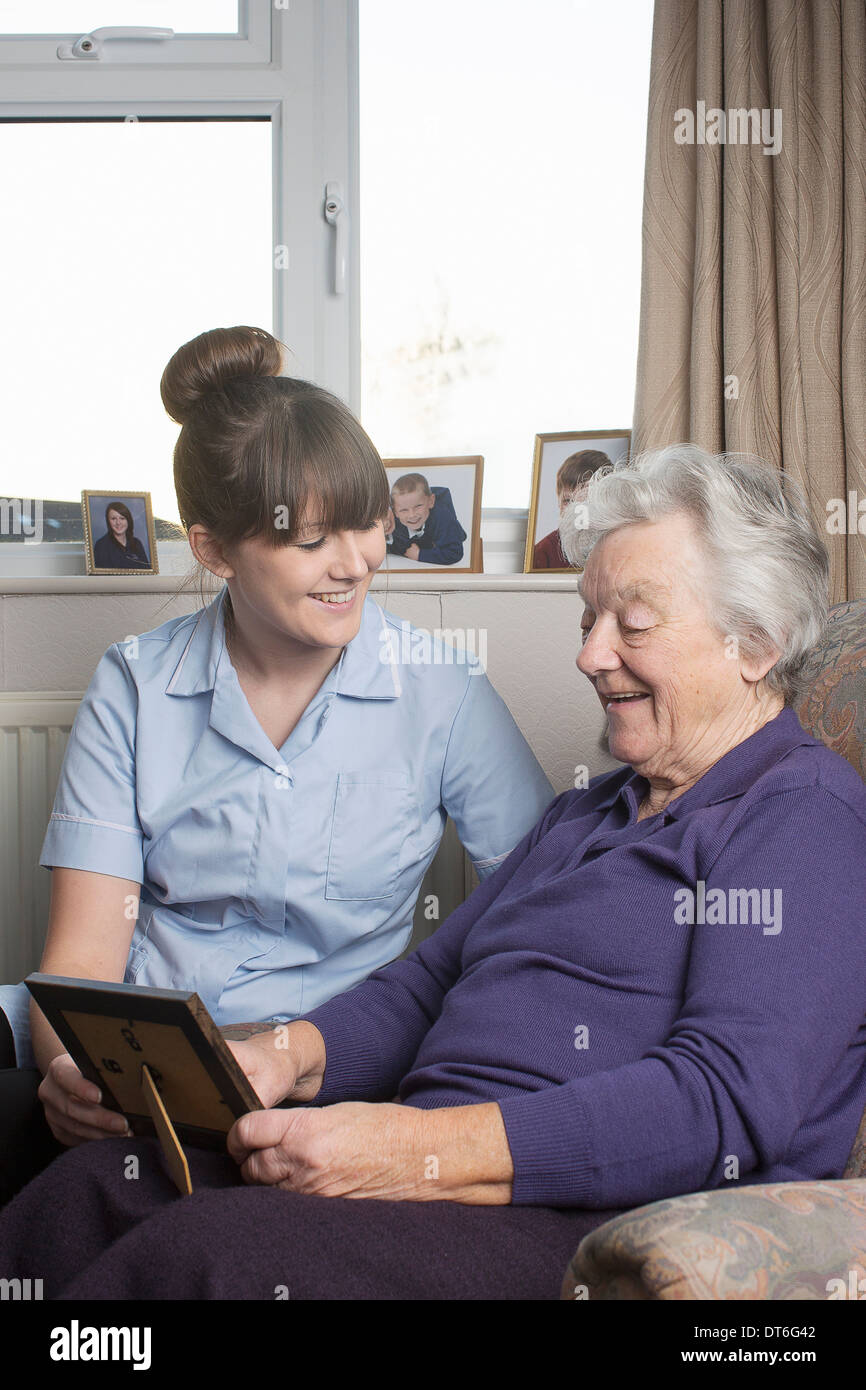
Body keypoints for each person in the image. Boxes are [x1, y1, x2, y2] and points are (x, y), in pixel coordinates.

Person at [2, 442, 863, 1301]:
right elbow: (426, 984)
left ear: (756, 643)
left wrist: (414, 1151)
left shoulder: (800, 816)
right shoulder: (585, 813)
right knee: (87, 1196)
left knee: (204, 1258)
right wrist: (280, 1060)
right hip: (431, 1171)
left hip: (571, 1213)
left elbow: (722, 1100)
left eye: (632, 625)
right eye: (587, 622)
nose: (591, 656)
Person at [0, 325, 552, 1176]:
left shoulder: (442, 690)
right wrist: (73, 1070)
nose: (355, 564)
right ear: (213, 548)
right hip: (146, 1076)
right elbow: (79, 965)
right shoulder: (137, 685)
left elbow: (541, 916)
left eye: (367, 524)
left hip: (321, 1080)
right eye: (309, 540)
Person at [532, 449, 610, 569]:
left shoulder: (617, 544)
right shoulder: (543, 552)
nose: (575, 511)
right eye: (567, 501)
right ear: (558, 502)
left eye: (586, 501)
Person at [386, 473, 467, 565]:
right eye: (404, 510)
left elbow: (454, 553)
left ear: (431, 501)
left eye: (418, 506)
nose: (412, 515)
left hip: (444, 535)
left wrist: (420, 555)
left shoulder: (442, 517)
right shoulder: (391, 520)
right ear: (395, 511)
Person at [91, 501, 150, 570]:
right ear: (108, 521)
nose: (118, 523)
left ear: (128, 520)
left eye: (122, 518)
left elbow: (147, 572)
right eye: (113, 519)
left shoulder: (136, 543)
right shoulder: (101, 545)